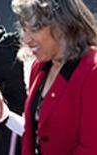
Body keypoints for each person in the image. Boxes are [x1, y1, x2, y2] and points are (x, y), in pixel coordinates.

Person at [11, 0, 97, 155]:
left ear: (63, 26)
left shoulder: (92, 70)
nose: (26, 39)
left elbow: (91, 147)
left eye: (35, 28)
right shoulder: (39, 66)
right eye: (24, 29)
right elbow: (30, 133)